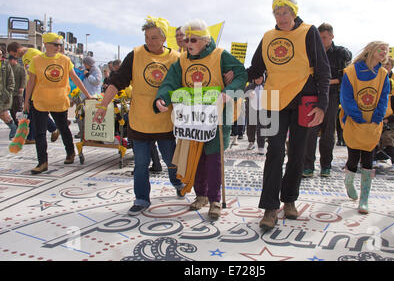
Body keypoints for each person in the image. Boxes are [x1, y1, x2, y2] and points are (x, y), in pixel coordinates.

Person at [246, 0, 331, 230]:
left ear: (294, 12)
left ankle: (290, 199)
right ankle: (270, 207)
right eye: (277, 12)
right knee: (274, 151)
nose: (281, 17)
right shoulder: (268, 36)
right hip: (274, 99)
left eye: (285, 12)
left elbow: (323, 70)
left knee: (297, 152)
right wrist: (240, 75)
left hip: (305, 100)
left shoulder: (309, 32)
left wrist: (323, 105)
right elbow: (255, 67)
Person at [155, 18, 247, 220]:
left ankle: (215, 199)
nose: (188, 44)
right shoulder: (182, 59)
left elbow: (241, 74)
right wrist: (162, 98)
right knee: (195, 157)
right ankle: (201, 195)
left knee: (213, 158)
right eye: (186, 40)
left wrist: (228, 92)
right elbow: (169, 82)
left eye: (193, 40)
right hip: (192, 116)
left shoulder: (220, 55)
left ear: (205, 40)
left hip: (216, 116)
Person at [93, 16, 185, 216]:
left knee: (171, 159)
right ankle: (141, 198)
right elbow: (117, 81)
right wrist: (102, 107)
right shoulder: (135, 55)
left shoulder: (175, 58)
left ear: (163, 38)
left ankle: (177, 183)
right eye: (146, 37)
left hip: (164, 121)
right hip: (140, 120)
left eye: (154, 38)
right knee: (141, 163)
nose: (149, 42)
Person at [23, 33, 92, 174]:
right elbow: (31, 82)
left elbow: (76, 78)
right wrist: (26, 101)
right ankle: (42, 162)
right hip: (40, 100)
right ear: (46, 44)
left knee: (63, 127)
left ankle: (70, 152)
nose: (58, 47)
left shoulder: (65, 60)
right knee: (40, 133)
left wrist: (88, 95)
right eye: (55, 44)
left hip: (59, 100)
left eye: (60, 45)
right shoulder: (36, 60)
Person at [340, 41, 390, 214]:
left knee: (368, 160)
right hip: (354, 122)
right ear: (371, 50)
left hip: (373, 123)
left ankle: (364, 199)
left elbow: (384, 97)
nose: (384, 52)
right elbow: (346, 97)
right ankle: (348, 182)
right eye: (381, 49)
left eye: (387, 50)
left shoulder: (383, 74)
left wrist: (378, 116)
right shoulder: (351, 72)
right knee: (353, 157)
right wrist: (356, 116)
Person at [303, 23, 352, 177]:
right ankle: (308, 166)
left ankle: (326, 166)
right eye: (319, 37)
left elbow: (345, 76)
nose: (321, 40)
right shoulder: (311, 51)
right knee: (309, 132)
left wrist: (326, 81)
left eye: (324, 37)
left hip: (331, 96)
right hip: (312, 95)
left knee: (328, 133)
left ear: (331, 36)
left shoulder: (340, 53)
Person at [7, 42, 60, 144]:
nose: (15, 57)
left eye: (14, 55)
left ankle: (48, 130)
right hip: (30, 86)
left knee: (35, 111)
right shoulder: (24, 57)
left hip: (37, 86)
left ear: (17, 50)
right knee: (31, 111)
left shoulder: (34, 53)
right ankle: (38, 134)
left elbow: (44, 68)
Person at [374, 78, 394, 171]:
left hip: (391, 126)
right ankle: (373, 159)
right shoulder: (375, 98)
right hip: (377, 125)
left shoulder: (392, 99)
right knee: (371, 137)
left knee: (388, 138)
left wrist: (388, 119)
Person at [245, 76, 266, 154]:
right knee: (251, 127)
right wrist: (248, 95)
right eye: (256, 78)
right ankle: (251, 142)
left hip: (263, 110)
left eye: (260, 78)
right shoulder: (250, 86)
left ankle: (261, 146)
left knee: (261, 128)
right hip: (251, 110)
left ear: (263, 78)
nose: (258, 80)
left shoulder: (266, 86)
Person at [0, 55, 16, 139]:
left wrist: (8, 91)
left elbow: (11, 79)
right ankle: (13, 127)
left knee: (3, 113)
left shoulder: (5, 65)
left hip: (3, 94)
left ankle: (13, 128)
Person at [8, 55, 26, 126]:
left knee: (18, 109)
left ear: (14, 60)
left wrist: (22, 87)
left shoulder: (20, 68)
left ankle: (21, 125)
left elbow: (24, 78)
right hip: (10, 93)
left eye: (10, 60)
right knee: (11, 110)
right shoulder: (9, 68)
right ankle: (16, 124)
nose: (9, 62)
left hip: (18, 93)